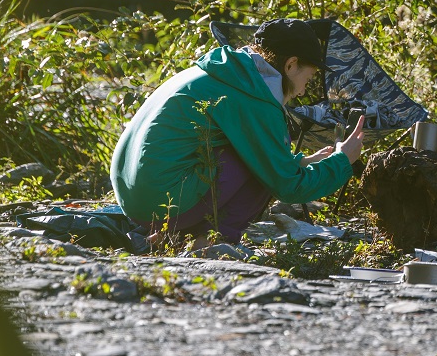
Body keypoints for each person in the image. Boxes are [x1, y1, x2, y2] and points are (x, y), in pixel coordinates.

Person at [110, 18, 364, 243]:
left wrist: (300, 161)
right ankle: (210, 243)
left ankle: (171, 235)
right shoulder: (255, 97)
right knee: (259, 168)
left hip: (134, 199)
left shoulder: (224, 72)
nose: (303, 91)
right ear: (291, 65)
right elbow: (288, 187)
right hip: (161, 204)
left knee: (256, 157)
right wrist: (343, 161)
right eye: (307, 79)